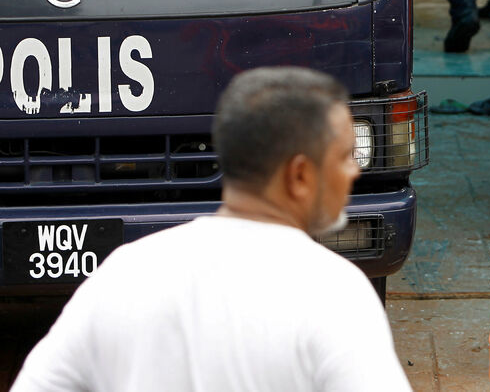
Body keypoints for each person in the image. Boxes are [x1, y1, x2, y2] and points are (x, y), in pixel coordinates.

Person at [12, 67, 410, 392]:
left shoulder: (123, 272)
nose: (354, 171)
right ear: (301, 175)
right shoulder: (333, 291)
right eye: (344, 156)